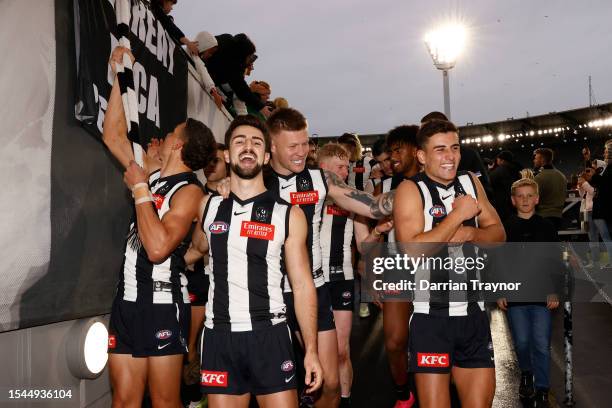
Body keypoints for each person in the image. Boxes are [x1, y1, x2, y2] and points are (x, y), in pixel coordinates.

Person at [103, 46, 217, 407]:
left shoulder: (189, 192)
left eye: (172, 132)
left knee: (165, 402)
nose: (165, 134)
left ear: (178, 145)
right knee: (124, 401)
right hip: (127, 301)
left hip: (163, 304)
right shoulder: (150, 175)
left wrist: (140, 188)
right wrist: (119, 76)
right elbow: (113, 137)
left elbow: (157, 248)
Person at [188, 115, 323, 407]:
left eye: (256, 142)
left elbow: (301, 286)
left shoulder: (288, 214)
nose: (247, 147)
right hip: (219, 337)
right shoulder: (208, 206)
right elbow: (197, 248)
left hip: (269, 335)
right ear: (226, 154)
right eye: (239, 141)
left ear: (265, 157)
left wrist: (311, 350)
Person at [264, 108, 396, 407]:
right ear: (272, 146)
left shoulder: (321, 179)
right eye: (292, 146)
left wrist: (415, 188)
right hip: (268, 293)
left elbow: (374, 208)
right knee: (279, 384)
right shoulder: (253, 179)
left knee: (330, 384)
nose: (302, 152)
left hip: (314, 288)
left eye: (305, 143)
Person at [394, 119, 505, 408]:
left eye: (454, 148)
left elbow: (498, 235)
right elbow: (413, 251)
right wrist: (457, 217)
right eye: (440, 149)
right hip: (431, 320)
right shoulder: (410, 190)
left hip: (474, 316)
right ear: (422, 156)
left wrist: (471, 232)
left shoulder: (470, 182)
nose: (450, 156)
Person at [316, 143, 394, 407]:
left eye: (347, 166)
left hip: (341, 278)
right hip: (306, 281)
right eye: (339, 166)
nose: (345, 171)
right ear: (322, 168)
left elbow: (364, 247)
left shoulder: (352, 200)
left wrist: (377, 232)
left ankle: (344, 400)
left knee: (340, 350)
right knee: (312, 352)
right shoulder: (305, 195)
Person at [497, 178, 560, 408]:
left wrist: (554, 290)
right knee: (522, 342)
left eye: (529, 196)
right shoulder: (505, 228)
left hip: (542, 297)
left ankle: (542, 387)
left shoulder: (547, 228)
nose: (525, 200)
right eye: (520, 196)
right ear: (513, 200)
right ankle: (526, 373)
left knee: (541, 343)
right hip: (515, 297)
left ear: (537, 199)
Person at [375, 124, 420, 408]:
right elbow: (376, 236)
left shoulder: (438, 182)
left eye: (396, 150)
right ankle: (403, 391)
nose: (392, 157)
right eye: (389, 152)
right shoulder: (387, 187)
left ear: (416, 150)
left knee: (434, 338)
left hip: (433, 268)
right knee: (394, 341)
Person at [420, 112, 493, 198]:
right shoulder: (420, 160)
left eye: (426, 129)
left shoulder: (469, 155)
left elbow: (484, 186)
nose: (450, 157)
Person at [205, 33, 272, 118]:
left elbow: (241, 91)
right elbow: (242, 89)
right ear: (242, 54)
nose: (250, 63)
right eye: (249, 57)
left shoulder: (235, 65)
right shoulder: (235, 67)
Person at [588, 139, 612, 269]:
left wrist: (594, 177)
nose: (604, 153)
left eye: (606, 150)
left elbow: (606, 185)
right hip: (603, 209)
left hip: (606, 208)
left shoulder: (609, 169)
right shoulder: (608, 168)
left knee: (607, 238)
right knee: (606, 237)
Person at [533, 148, 567, 230]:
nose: (534, 160)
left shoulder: (538, 177)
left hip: (543, 217)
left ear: (542, 159)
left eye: (536, 158)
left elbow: (534, 200)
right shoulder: (562, 176)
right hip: (558, 216)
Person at [489, 150, 522, 224]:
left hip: (501, 207)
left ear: (502, 160)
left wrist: (489, 170)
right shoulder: (517, 171)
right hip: (516, 205)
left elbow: (488, 184)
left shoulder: (498, 171)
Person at [193, 31, 224, 109]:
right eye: (210, 52)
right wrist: (214, 93)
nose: (210, 56)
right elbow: (203, 71)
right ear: (203, 47)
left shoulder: (197, 59)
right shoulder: (194, 57)